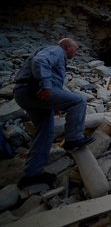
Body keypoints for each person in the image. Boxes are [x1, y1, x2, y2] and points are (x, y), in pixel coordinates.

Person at [14, 38, 95, 188]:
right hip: (33, 90)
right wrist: (45, 85)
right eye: (76, 49)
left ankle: (32, 174)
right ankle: (74, 139)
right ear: (67, 47)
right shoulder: (57, 50)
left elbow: (54, 84)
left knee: (46, 132)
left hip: (24, 93)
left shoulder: (59, 57)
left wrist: (55, 103)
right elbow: (39, 61)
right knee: (79, 101)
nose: (77, 53)